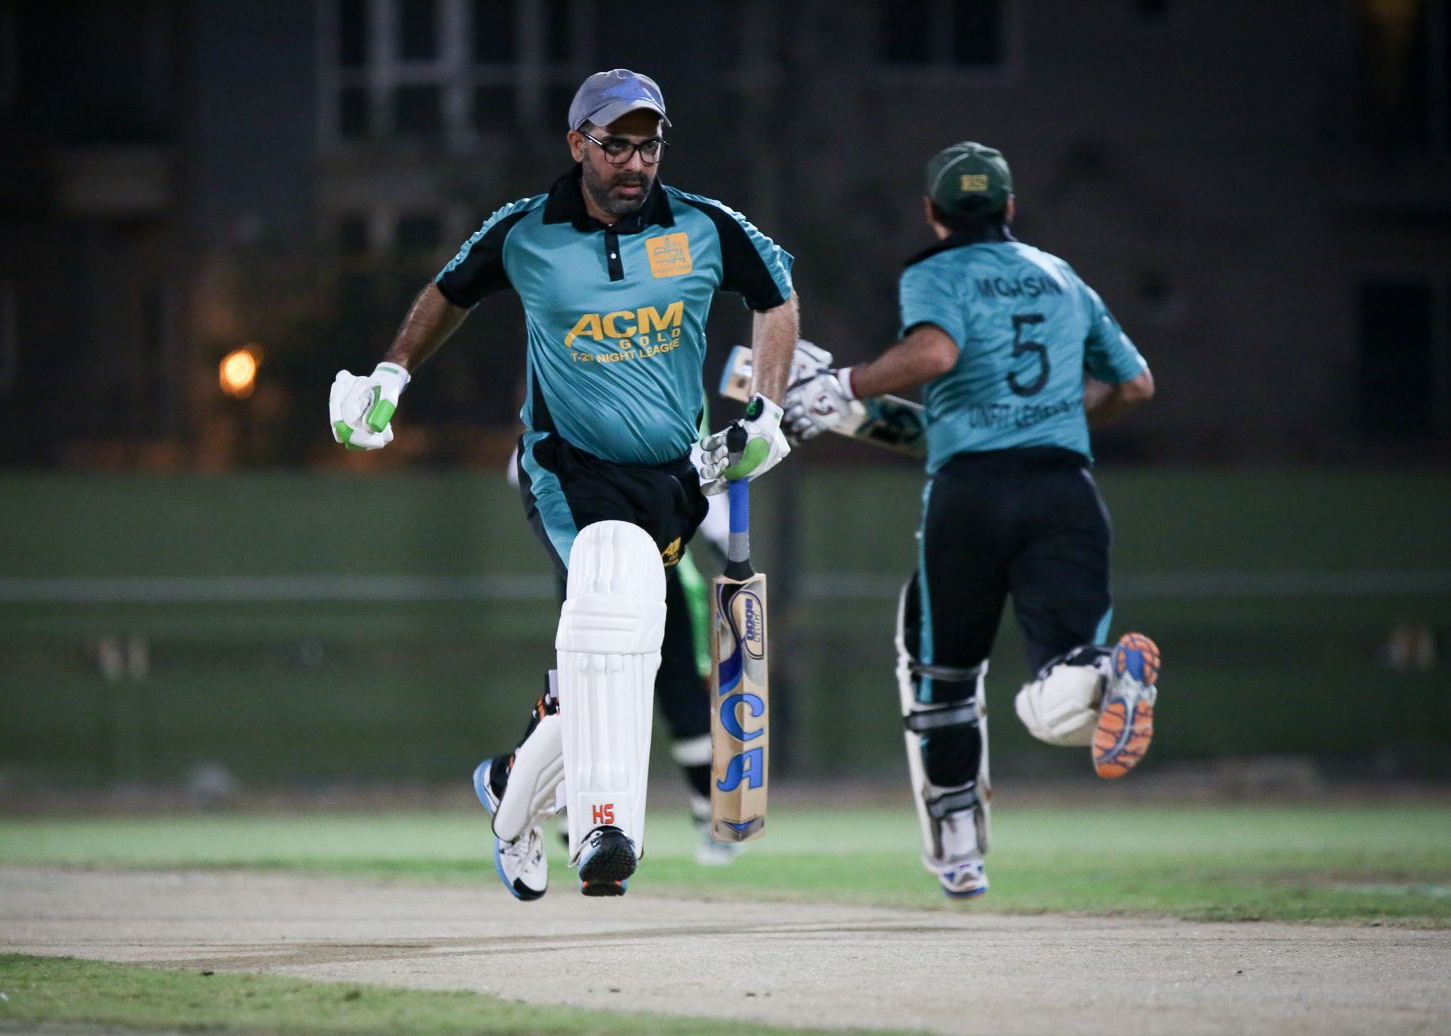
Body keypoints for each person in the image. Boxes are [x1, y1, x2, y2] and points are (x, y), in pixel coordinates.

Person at [329, 69, 798, 898]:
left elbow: (776, 293)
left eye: (649, 145)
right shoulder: (525, 232)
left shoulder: (702, 226)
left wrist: (768, 408)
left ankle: (511, 792)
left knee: (616, 656)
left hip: (673, 478)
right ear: (578, 143)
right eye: (616, 145)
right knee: (612, 609)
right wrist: (391, 374)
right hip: (568, 468)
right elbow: (448, 292)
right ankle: (602, 828)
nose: (635, 162)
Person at [782, 141, 1159, 899]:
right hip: (1065, 490)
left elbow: (934, 353)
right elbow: (1136, 386)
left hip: (973, 494)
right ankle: (1106, 671)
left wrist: (841, 385)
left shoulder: (935, 271)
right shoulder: (1063, 276)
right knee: (1061, 682)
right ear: (1010, 208)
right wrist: (1055, 416)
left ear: (933, 211)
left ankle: (958, 847)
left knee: (943, 675)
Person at [503, 443, 746, 867]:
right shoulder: (572, 416)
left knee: (676, 694)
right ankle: (568, 807)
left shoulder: (668, 419)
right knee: (588, 693)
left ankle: (708, 815)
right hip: (590, 563)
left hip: (654, 567)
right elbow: (522, 461)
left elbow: (698, 470)